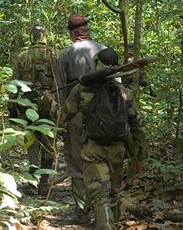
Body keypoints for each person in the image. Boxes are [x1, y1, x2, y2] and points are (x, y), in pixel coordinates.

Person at [46, 48, 146, 229]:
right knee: (114, 193)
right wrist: (139, 155)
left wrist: (49, 104)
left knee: (100, 196)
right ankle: (111, 223)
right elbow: (137, 125)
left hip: (93, 149)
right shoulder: (125, 93)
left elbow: (62, 116)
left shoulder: (83, 90)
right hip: (118, 150)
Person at [54, 14, 106, 220]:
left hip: (75, 112)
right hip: (104, 111)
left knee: (76, 159)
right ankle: (103, 209)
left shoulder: (66, 54)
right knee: (101, 156)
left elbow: (58, 90)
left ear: (73, 32)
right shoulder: (103, 49)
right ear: (87, 29)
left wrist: (60, 120)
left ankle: (82, 209)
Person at [9, 25, 56, 196]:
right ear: (45, 36)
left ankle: (33, 181)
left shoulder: (23, 56)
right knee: (49, 143)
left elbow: (13, 84)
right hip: (50, 104)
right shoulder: (54, 55)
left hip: (28, 105)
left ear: (32, 37)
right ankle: (44, 183)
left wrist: (11, 106)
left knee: (32, 143)